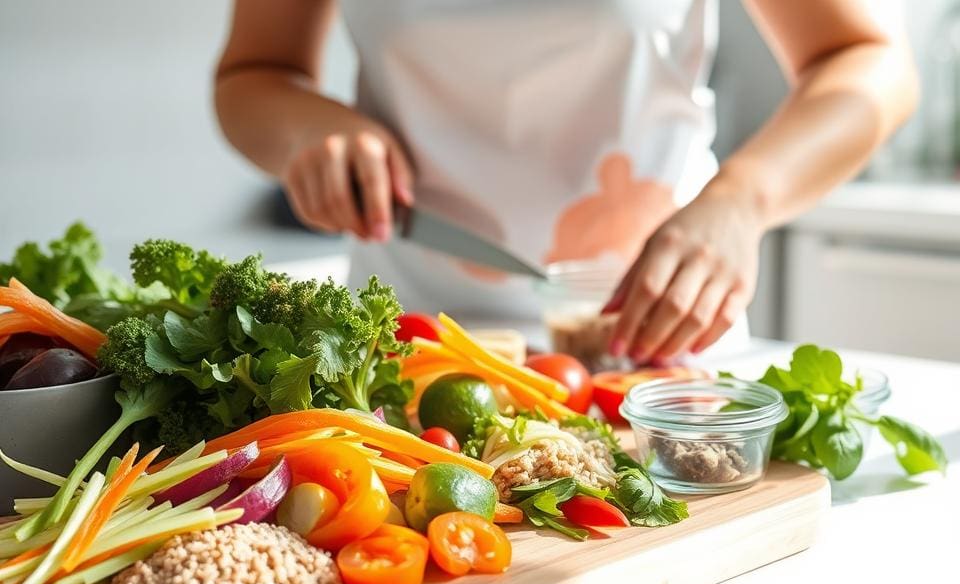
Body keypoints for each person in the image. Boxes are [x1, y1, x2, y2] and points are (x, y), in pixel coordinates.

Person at [215, 1, 916, 364]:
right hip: (406, 358)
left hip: (659, 358)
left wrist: (743, 200)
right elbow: (255, 73)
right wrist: (309, 129)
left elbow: (870, 61)